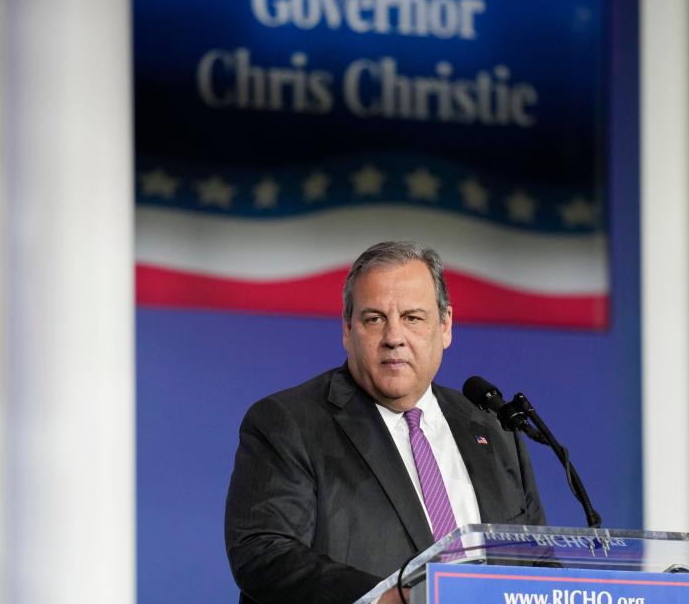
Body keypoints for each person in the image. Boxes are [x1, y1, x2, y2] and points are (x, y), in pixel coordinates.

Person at [225, 241, 546, 604]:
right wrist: (381, 599)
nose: (394, 338)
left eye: (412, 317)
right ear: (348, 329)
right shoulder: (289, 424)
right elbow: (263, 552)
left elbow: (539, 563)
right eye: (374, 318)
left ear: (445, 326)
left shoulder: (494, 429)